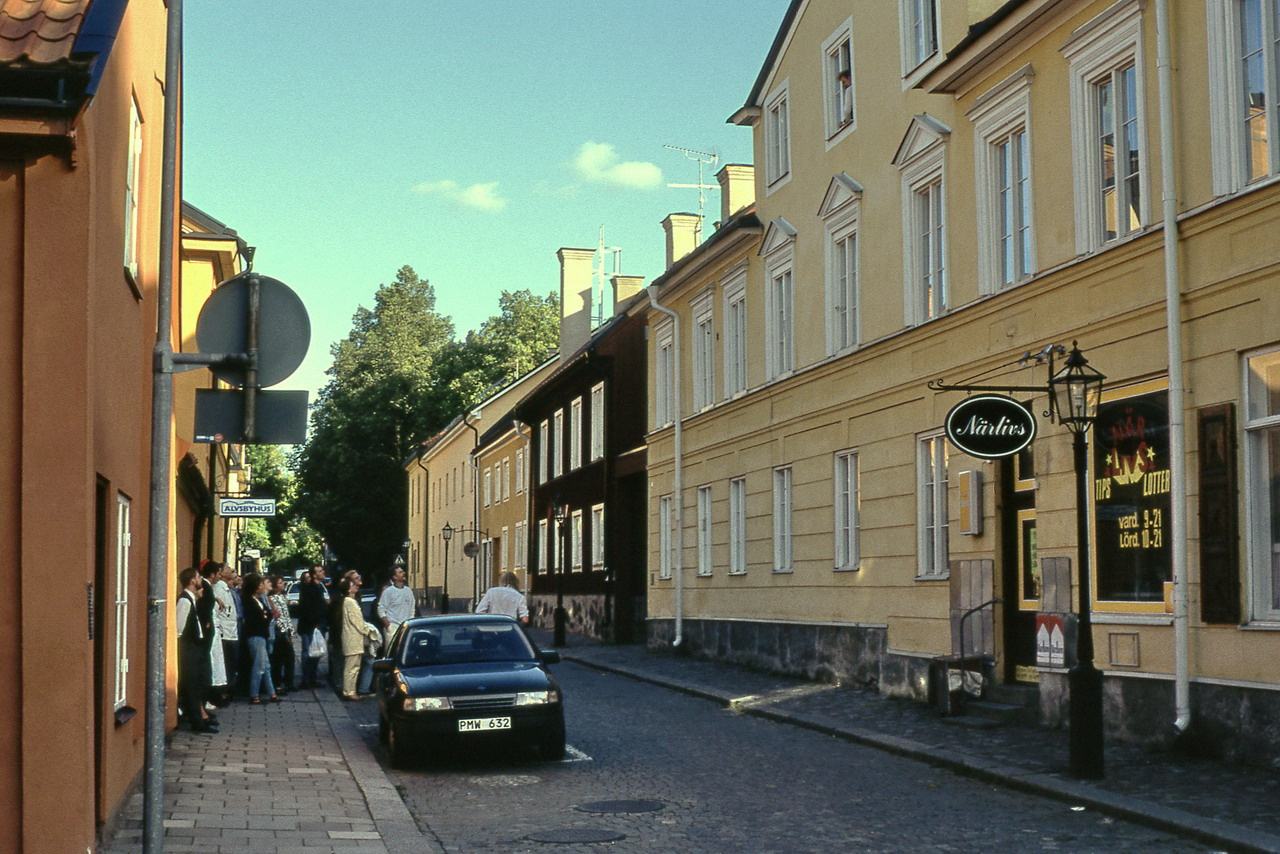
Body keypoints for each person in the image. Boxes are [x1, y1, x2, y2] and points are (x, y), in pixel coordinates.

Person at [176, 568, 218, 733]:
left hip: (195, 647)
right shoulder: (185, 601)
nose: (201, 579)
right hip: (188, 649)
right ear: (193, 580)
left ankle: (200, 717)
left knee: (199, 683)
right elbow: (178, 628)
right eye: (199, 576)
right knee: (192, 686)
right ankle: (197, 723)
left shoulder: (192, 599)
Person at [241, 574, 280, 704]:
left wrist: (265, 615)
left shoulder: (260, 599)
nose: (263, 586)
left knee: (266, 665)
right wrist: (264, 615)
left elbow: (268, 614)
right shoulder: (248, 600)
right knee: (259, 666)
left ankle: (272, 692)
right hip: (255, 635)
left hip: (263, 635)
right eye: (260, 584)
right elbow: (256, 617)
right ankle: (254, 694)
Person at [339, 576, 380, 701]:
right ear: (348, 589)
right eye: (352, 585)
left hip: (354, 638)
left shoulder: (349, 601)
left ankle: (350, 690)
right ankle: (349, 691)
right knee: (352, 667)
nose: (356, 586)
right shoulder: (350, 602)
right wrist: (368, 631)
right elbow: (357, 621)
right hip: (353, 638)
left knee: (354, 667)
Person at [199, 561, 227, 707]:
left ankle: (209, 697)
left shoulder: (207, 587)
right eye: (218, 573)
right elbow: (203, 606)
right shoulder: (205, 586)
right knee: (209, 663)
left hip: (211, 629)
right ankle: (207, 698)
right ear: (212, 574)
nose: (220, 576)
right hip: (208, 630)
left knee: (213, 663)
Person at [297, 566, 329, 689]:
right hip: (309, 626)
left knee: (316, 653)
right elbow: (307, 608)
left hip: (318, 625)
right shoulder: (309, 589)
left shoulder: (319, 587)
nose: (323, 572)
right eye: (320, 571)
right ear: (314, 575)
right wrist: (315, 622)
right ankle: (306, 680)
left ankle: (312, 677)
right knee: (308, 653)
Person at [212, 564, 239, 704]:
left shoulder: (226, 588)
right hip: (225, 633)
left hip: (231, 632)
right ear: (221, 573)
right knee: (226, 664)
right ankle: (222, 694)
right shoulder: (218, 589)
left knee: (230, 665)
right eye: (227, 569)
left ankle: (226, 692)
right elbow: (218, 613)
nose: (231, 571)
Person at [268, 574, 295, 695]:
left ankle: (289, 682)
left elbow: (286, 616)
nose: (283, 584)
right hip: (279, 633)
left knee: (290, 658)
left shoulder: (282, 597)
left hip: (286, 631)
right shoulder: (272, 598)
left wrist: (290, 632)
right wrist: (283, 632)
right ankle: (277, 684)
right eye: (280, 582)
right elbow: (277, 617)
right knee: (278, 660)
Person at [377, 566, 416, 648]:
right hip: (393, 628)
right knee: (392, 652)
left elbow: (412, 608)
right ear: (394, 577)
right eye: (400, 572)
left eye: (403, 571)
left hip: (407, 628)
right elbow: (381, 609)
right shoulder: (388, 592)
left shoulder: (408, 591)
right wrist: (389, 626)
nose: (403, 573)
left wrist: (410, 622)